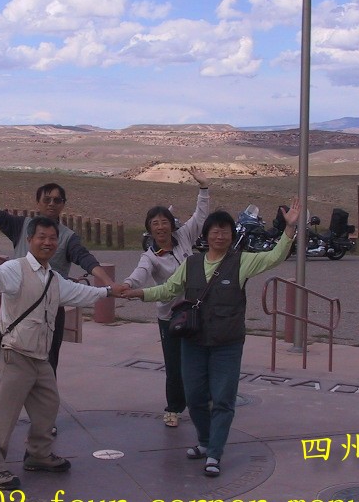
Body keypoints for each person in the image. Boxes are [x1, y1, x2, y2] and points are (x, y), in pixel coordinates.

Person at [122, 198, 300, 478]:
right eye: (214, 231)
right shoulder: (191, 263)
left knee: (223, 399)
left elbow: (275, 257)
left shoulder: (241, 262)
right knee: (194, 397)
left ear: (231, 235)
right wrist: (138, 293)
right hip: (193, 342)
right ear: (205, 235)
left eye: (225, 231)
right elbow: (168, 290)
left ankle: (214, 452)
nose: (219, 236)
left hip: (227, 344)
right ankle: (204, 441)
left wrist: (289, 229)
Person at [0, 176, 119, 427]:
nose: (52, 203)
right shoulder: (21, 226)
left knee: (47, 365)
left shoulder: (67, 237)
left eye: (57, 200)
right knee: (6, 368)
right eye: (47, 199)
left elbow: (86, 259)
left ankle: (44, 421)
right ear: (38, 202)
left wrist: (109, 284)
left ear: (63, 204)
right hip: (16, 312)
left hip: (50, 312)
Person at [0, 215, 112, 490]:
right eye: (42, 237)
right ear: (29, 240)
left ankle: (38, 454)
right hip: (14, 355)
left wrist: (109, 291)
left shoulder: (53, 278)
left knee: (48, 405)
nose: (47, 242)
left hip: (40, 357)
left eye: (52, 238)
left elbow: (80, 293)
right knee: (2, 415)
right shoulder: (16, 269)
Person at [116, 168, 210, 428]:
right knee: (175, 364)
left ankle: (205, 400)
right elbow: (140, 273)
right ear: (149, 228)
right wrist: (128, 284)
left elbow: (200, 216)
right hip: (170, 316)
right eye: (155, 223)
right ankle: (174, 408)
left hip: (197, 310)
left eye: (164, 222)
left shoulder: (184, 238)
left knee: (201, 358)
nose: (160, 227)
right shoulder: (150, 256)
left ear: (171, 224)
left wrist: (204, 188)